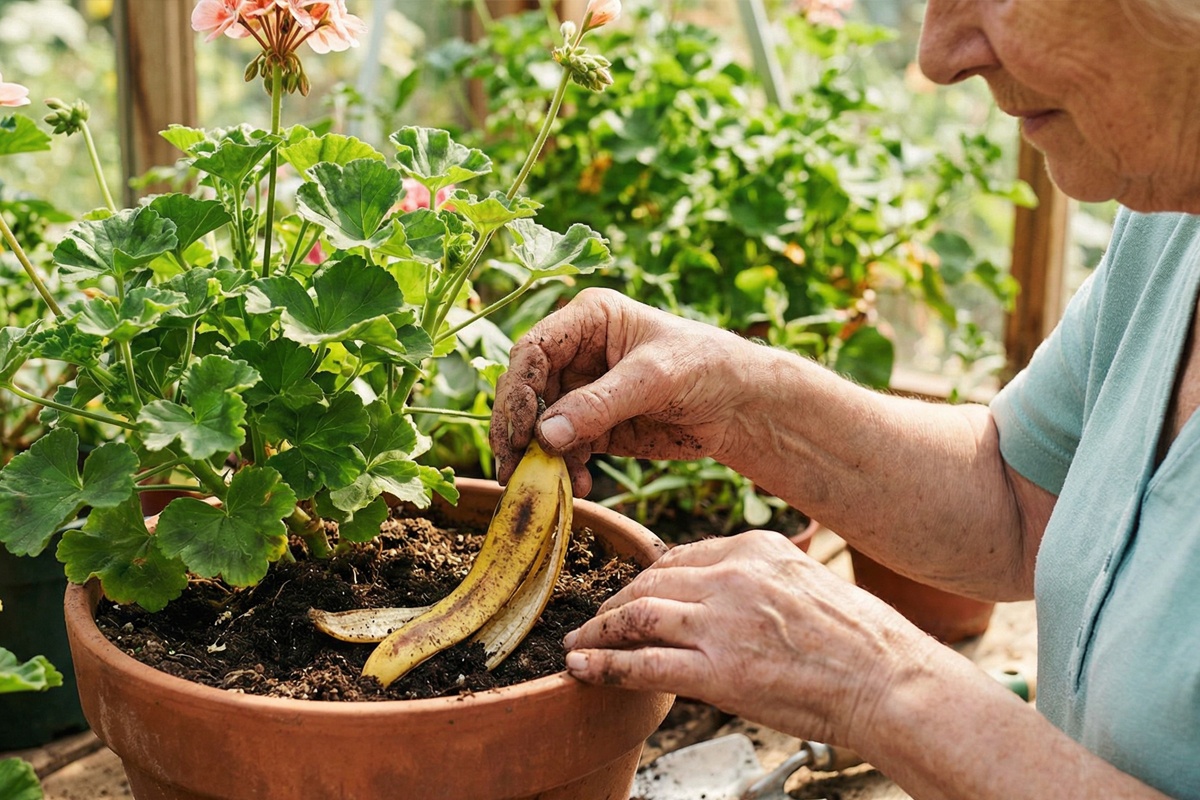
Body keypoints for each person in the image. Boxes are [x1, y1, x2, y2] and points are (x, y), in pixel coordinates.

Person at [489, 0, 1200, 797]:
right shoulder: (1173, 219)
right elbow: (1023, 496)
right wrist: (741, 395)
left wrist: (880, 685)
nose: (938, 56)